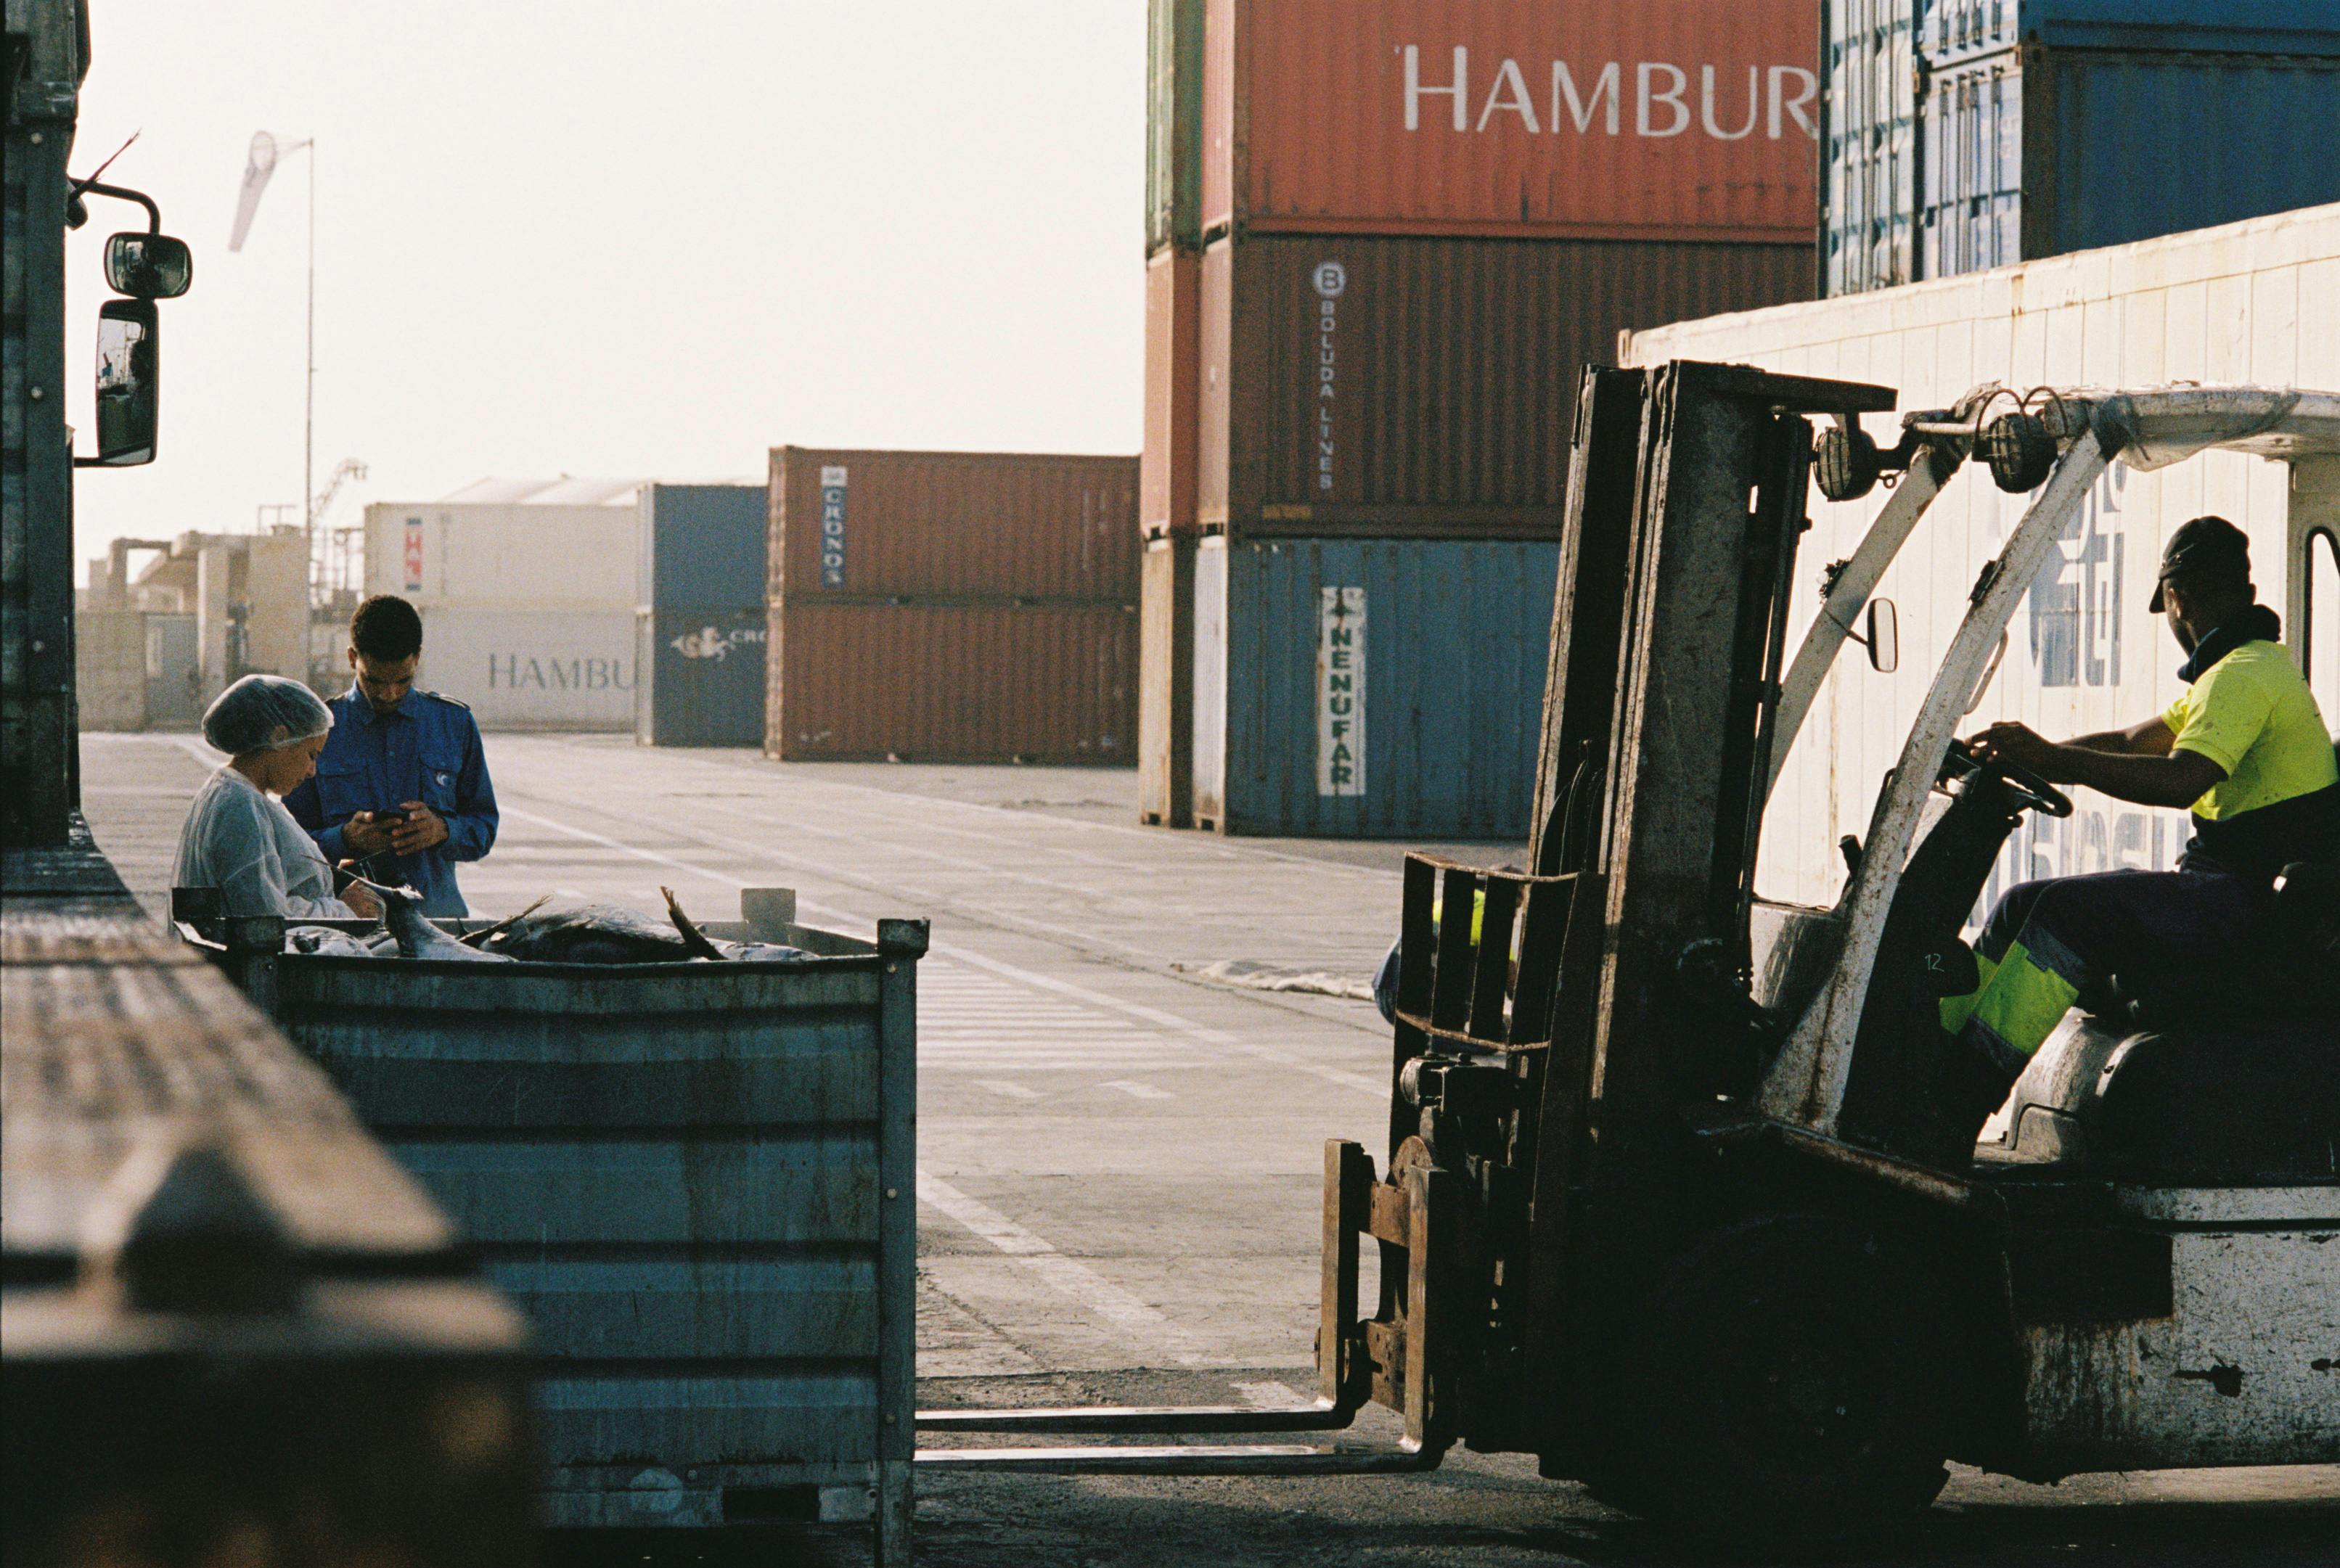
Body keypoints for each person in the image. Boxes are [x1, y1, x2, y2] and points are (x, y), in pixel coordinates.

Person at [1936, 514, 2340, 1130]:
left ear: (2176, 597)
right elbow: (2135, 740)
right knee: (2023, 902)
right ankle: (1923, 1062)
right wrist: (2030, 754)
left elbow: (2180, 780)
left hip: (2251, 900)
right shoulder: (2239, 670)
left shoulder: (2244, 676)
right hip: (2231, 891)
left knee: (2068, 917)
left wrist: (2053, 759)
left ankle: (1952, 1107)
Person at [285, 594, 498, 917]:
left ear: (417, 659)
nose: (389, 694)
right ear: (352, 657)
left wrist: (442, 830)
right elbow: (287, 844)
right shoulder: (319, 728)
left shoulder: (454, 724)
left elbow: (483, 827)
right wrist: (344, 838)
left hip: (437, 923)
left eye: (403, 680)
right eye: (374, 681)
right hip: (349, 926)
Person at [174, 675, 383, 921]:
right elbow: (263, 918)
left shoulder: (239, 794)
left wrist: (326, 880)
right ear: (280, 737)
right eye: (311, 755)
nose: (312, 771)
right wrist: (344, 910)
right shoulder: (240, 807)